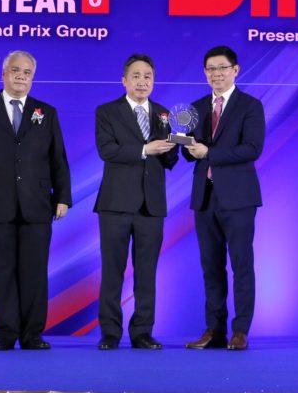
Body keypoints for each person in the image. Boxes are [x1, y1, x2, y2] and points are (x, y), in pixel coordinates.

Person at [0, 50, 71, 351]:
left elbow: (58, 158)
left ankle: (32, 334)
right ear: (3, 74)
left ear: (33, 78)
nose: (21, 76)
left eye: (27, 72)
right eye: (16, 70)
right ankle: (5, 333)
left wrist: (63, 196)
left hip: (37, 204)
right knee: (0, 272)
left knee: (34, 272)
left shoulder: (46, 112)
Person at [94, 54, 178, 350]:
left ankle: (142, 331)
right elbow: (107, 150)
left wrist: (177, 143)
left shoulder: (164, 113)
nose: (143, 82)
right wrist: (145, 149)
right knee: (112, 271)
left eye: (148, 77)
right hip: (115, 204)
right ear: (124, 80)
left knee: (147, 272)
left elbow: (169, 160)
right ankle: (110, 333)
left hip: (151, 206)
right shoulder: (107, 111)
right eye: (137, 76)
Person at [182, 45, 264, 351]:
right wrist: (186, 147)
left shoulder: (250, 105)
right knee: (210, 266)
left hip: (238, 198)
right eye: (210, 69)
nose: (216, 74)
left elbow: (251, 149)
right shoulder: (196, 107)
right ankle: (214, 330)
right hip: (205, 196)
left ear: (235, 70)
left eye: (222, 68)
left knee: (241, 264)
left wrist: (210, 153)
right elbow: (192, 153)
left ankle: (240, 330)